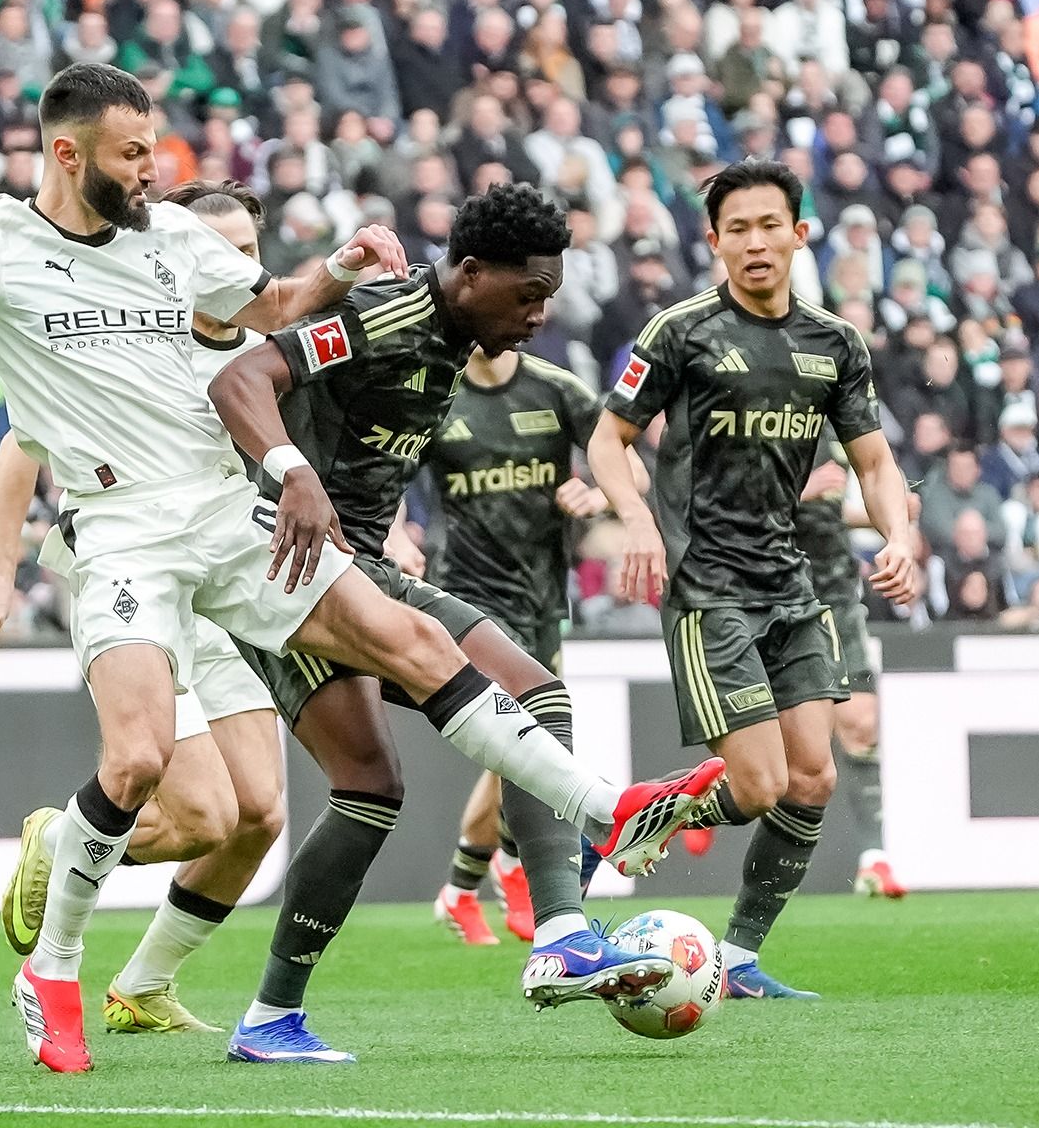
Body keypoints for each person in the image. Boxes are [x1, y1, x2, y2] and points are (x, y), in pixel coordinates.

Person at [0, 63, 683, 1073]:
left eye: (154, 152)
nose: (151, 172)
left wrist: (333, 268)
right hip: (119, 529)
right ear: (68, 156)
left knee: (414, 641)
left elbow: (272, 312)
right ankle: (52, 970)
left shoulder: (173, 239)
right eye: (130, 156)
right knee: (143, 757)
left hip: (224, 511)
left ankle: (609, 807)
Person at [207, 182, 724, 1061]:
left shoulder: (462, 336)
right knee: (458, 735)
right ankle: (552, 929)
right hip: (289, 564)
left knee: (442, 748)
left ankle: (283, 1015)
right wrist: (293, 473)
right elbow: (242, 376)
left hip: (352, 565)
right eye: (528, 294)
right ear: (471, 273)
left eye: (549, 296)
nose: (538, 314)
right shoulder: (390, 312)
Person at [587, 159, 917, 1001]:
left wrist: (902, 534)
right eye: (737, 228)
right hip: (708, 588)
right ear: (715, 242)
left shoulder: (834, 343)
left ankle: (734, 959)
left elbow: (874, 462)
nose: (756, 241)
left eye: (771, 224)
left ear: (800, 235)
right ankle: (617, 818)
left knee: (814, 778)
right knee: (762, 781)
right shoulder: (682, 331)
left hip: (791, 582)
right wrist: (636, 522)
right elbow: (607, 439)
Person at [0, 178, 288, 1035]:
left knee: (258, 816)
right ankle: (63, 837)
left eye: (249, 255)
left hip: (226, 578)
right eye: (221, 253)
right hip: (136, 571)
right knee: (201, 815)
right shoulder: (131, 334)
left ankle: (141, 985)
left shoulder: (269, 350)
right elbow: (19, 442)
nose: (236, 270)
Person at [414, 341, 636, 945]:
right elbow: (387, 480)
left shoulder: (557, 389)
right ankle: (511, 872)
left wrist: (595, 492)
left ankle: (462, 890)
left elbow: (629, 459)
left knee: (513, 747)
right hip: (468, 598)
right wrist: (396, 535)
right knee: (523, 737)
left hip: (542, 599)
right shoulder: (437, 390)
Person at [792, 440, 903, 899]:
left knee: (861, 723)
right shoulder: (756, 407)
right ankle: (698, 804)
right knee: (772, 743)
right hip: (771, 592)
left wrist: (889, 518)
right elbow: (713, 503)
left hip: (837, 593)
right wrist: (800, 490)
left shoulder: (837, 430)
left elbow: (834, 507)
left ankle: (874, 859)